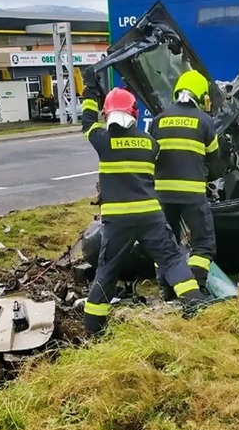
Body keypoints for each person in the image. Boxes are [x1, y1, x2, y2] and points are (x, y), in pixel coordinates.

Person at [79, 75, 205, 337]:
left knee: (107, 270)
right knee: (172, 260)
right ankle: (196, 307)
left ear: (108, 114)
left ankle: (92, 329)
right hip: (150, 216)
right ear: (134, 113)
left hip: (117, 221)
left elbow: (87, 121)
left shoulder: (102, 141)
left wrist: (90, 91)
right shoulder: (150, 143)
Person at [151, 69, 222, 291]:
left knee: (166, 243)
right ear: (201, 95)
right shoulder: (205, 121)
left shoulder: (158, 121)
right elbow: (215, 161)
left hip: (163, 194)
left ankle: (166, 288)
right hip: (192, 196)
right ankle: (196, 288)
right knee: (203, 244)